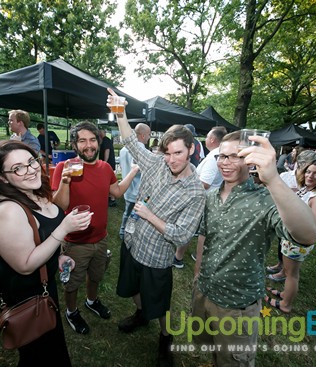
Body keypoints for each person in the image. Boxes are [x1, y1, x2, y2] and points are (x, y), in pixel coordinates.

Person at [191, 131, 316, 366]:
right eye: (221, 156)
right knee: (211, 348)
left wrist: (273, 179)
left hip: (237, 305)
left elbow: (308, 235)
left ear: (250, 159)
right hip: (204, 292)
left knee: (233, 360)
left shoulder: (266, 199)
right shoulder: (210, 196)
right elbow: (204, 236)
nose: (224, 163)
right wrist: (198, 273)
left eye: (234, 156)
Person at [108, 89, 206, 367]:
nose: (171, 159)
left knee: (160, 303)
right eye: (167, 152)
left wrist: (150, 215)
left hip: (157, 256)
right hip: (133, 241)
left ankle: (165, 338)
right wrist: (120, 111)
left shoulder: (196, 192)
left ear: (190, 150)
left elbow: (182, 235)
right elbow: (130, 141)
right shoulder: (156, 164)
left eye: (178, 153)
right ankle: (140, 315)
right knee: (133, 288)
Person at [0, 140, 92, 367]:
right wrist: (64, 229)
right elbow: (25, 264)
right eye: (18, 168)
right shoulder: (7, 211)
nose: (31, 169)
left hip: (42, 282)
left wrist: (57, 257)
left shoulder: (33, 191)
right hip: (23, 290)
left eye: (31, 161)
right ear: (1, 177)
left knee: (51, 343)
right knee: (40, 353)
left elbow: (38, 238)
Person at [51, 121, 139, 335]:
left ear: (98, 143)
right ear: (75, 144)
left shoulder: (105, 167)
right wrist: (65, 181)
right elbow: (60, 204)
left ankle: (91, 301)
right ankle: (71, 312)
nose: (88, 145)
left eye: (92, 140)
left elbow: (116, 193)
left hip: (101, 238)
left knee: (96, 275)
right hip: (74, 242)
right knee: (72, 283)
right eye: (82, 141)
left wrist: (134, 171)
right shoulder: (65, 167)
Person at [265, 159, 316, 313]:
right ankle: (285, 294)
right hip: (291, 237)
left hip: (298, 241)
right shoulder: (306, 189)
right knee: (289, 272)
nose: (310, 176)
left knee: (291, 275)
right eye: (309, 172)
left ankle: (285, 304)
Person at [174, 126, 227, 268]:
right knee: (201, 229)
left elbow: (205, 183)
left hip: (201, 198)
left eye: (208, 136)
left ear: (212, 139)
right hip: (208, 197)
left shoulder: (213, 158)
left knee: (190, 227)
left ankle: (178, 258)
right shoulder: (217, 154)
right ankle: (199, 255)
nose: (205, 139)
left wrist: (186, 182)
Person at [265, 150, 316, 277]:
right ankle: (280, 264)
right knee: (281, 241)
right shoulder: (286, 176)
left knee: (291, 243)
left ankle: (285, 271)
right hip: (280, 214)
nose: (304, 167)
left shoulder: (311, 180)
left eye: (307, 164)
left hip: (297, 219)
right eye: (302, 164)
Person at [118, 123, 151, 239]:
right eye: (148, 134)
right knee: (136, 214)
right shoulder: (140, 150)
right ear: (142, 135)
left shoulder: (123, 149)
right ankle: (129, 233)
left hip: (126, 188)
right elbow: (140, 169)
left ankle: (122, 231)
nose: (149, 137)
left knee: (127, 212)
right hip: (138, 189)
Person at [99, 128, 117, 206]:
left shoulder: (105, 140)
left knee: (110, 182)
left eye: (100, 131)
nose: (98, 132)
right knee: (108, 181)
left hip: (108, 165)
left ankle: (112, 199)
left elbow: (107, 151)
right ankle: (109, 197)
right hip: (108, 164)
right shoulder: (104, 140)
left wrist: (104, 163)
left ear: (104, 132)